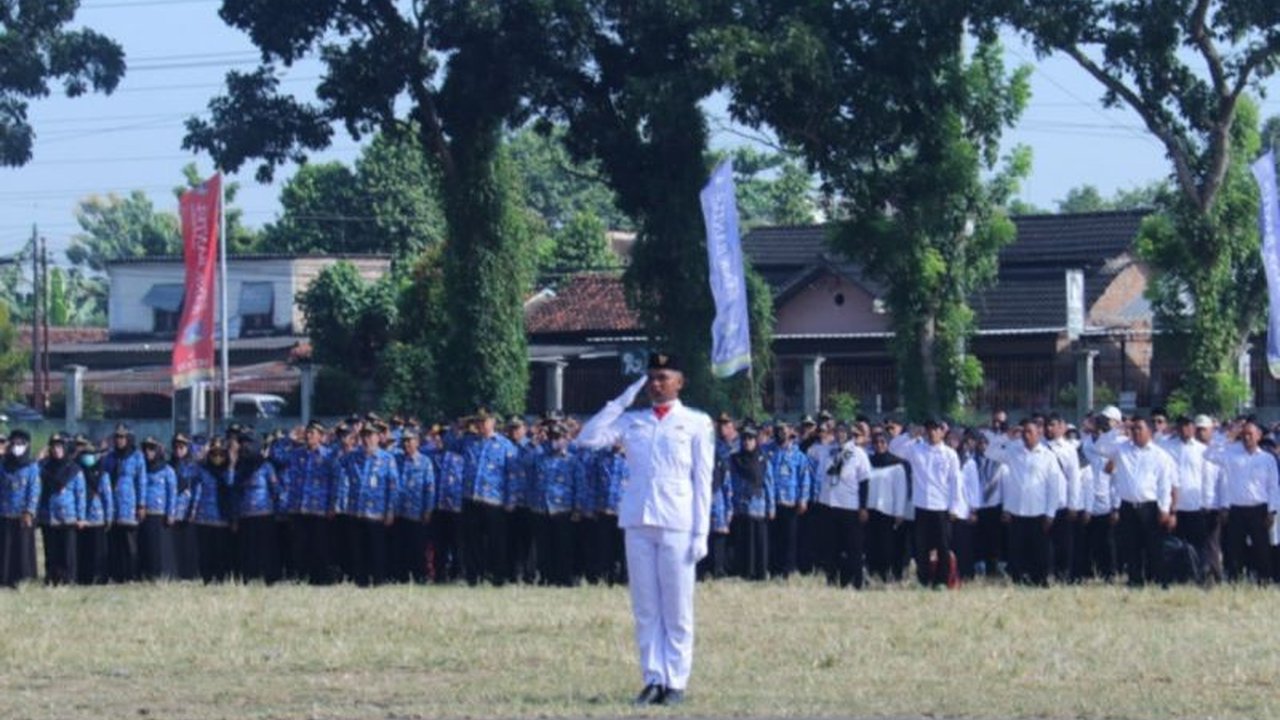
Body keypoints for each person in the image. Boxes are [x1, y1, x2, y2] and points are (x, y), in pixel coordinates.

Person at [577, 353, 713, 707]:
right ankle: (653, 678)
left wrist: (701, 534)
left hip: (677, 522)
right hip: (638, 519)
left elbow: (703, 480)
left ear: (679, 382)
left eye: (663, 377)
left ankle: (676, 681)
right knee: (646, 607)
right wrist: (624, 396)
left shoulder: (696, 423)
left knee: (677, 608)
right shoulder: (633, 421)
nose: (656, 383)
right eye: (651, 377)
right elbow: (588, 438)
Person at [1095, 415, 1177, 587]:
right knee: (1131, 546)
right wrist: (1118, 429)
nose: (1136, 432)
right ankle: (1135, 580)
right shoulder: (1122, 449)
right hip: (1128, 506)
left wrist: (1164, 509)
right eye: (1134, 429)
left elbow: (1164, 484)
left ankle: (1159, 580)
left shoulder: (1160, 455)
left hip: (1150, 505)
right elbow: (1100, 447)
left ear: (1149, 431)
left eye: (1140, 428)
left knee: (1154, 546)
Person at [889, 419, 968, 588]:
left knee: (943, 546)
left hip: (941, 507)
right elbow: (893, 448)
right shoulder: (916, 449)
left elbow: (955, 482)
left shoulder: (949, 454)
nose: (932, 433)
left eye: (936, 429)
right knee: (921, 547)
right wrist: (909, 435)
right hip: (922, 505)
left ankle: (941, 581)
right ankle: (923, 579)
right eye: (929, 429)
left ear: (942, 431)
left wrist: (955, 506)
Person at [986, 419, 1065, 587]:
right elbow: (989, 451)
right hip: (1017, 510)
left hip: (1038, 511)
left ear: (1039, 434)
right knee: (1017, 549)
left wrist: (1051, 513)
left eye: (1029, 432)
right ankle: (1018, 580)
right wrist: (1005, 437)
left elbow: (1054, 486)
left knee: (1039, 549)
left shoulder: (1048, 456)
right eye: (1024, 432)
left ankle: (1040, 580)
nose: (1025, 435)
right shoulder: (1014, 451)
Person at [37, 433, 85, 585]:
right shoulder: (44, 467)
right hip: (48, 515)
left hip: (68, 515)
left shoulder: (74, 469)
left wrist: (81, 516)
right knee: (50, 550)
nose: (56, 450)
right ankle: (52, 578)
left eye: (60, 446)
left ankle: (68, 578)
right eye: (53, 446)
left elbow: (80, 494)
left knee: (67, 551)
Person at [729, 425, 772, 581]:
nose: (747, 442)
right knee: (744, 540)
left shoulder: (763, 458)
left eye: (751, 439)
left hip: (758, 505)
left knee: (759, 541)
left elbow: (769, 483)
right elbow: (731, 482)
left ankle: (760, 573)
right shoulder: (735, 459)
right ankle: (745, 572)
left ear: (756, 441)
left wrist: (771, 506)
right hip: (741, 505)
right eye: (745, 439)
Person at [74, 435, 113, 585]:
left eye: (90, 455)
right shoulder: (78, 473)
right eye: (85, 455)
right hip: (83, 518)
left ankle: (100, 577)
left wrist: (109, 517)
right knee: (84, 550)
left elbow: (108, 498)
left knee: (99, 550)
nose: (87, 458)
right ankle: (84, 577)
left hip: (98, 517)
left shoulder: (103, 474)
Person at [137, 436, 177, 580]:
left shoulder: (167, 470)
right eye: (146, 448)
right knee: (147, 546)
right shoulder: (142, 469)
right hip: (145, 512)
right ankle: (147, 574)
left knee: (161, 546)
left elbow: (172, 493)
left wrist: (171, 513)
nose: (148, 452)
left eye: (152, 448)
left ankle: (164, 575)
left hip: (161, 513)